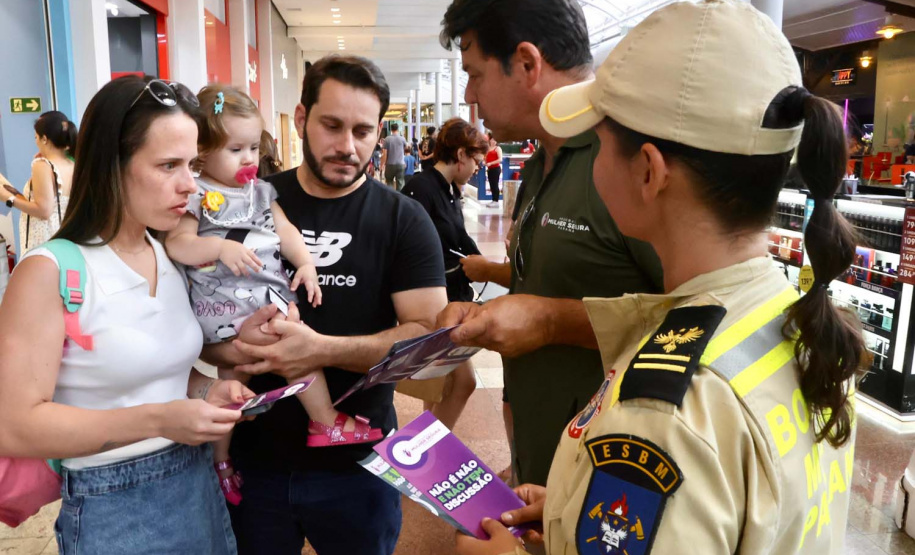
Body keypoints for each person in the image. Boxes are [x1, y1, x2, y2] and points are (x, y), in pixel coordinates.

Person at [455, 1, 862, 554]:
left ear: (648, 171)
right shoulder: (805, 327)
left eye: (599, 140)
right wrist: (576, 508)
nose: (590, 159)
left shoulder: (660, 415)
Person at [201, 55, 448, 555]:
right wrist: (231, 354)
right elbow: (188, 301)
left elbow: (428, 345)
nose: (347, 146)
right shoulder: (250, 198)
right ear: (301, 120)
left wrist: (320, 350)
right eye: (332, 126)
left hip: (358, 467)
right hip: (253, 464)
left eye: (362, 130)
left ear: (380, 131)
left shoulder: (404, 219)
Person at [0, 76, 254, 553]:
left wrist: (207, 391)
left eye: (193, 164)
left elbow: (152, 376)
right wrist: (158, 420)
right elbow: (13, 425)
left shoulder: (166, 253)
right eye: (168, 165)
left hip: (197, 485)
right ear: (111, 165)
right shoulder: (50, 271)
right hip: (112, 505)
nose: (190, 185)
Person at [437, 0, 663, 488]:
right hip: (544, 458)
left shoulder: (627, 162)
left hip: (613, 473)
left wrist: (549, 322)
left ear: (526, 64)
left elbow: (696, 318)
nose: (468, 95)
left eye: (475, 74)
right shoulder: (541, 163)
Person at [165, 84, 384, 507]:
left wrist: (306, 263)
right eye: (235, 149)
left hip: (263, 295)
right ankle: (323, 420)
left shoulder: (260, 192)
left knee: (231, 387)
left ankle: (221, 462)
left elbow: (285, 232)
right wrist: (220, 247)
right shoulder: (196, 195)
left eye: (252, 147)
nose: (248, 159)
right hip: (224, 303)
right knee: (288, 347)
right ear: (203, 152)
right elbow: (180, 245)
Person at [402, 117, 486, 429]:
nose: (477, 167)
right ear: (461, 154)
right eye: (476, 160)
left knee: (437, 385)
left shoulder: (449, 190)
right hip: (433, 300)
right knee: (464, 382)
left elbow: (458, 236)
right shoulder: (421, 188)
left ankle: (426, 449)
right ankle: (427, 450)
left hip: (451, 295)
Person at [0, 111, 77, 255]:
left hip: (43, 242)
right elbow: (47, 203)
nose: (35, 141)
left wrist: (8, 199)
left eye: (36, 137)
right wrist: (13, 192)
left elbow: (44, 211)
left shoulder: (42, 165)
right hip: (64, 239)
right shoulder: (72, 164)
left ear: (45, 139)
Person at [381, 122, 408, 190]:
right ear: (397, 129)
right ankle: (399, 198)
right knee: (400, 182)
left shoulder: (387, 139)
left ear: (391, 129)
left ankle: (391, 198)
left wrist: (382, 164)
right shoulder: (402, 139)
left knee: (389, 182)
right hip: (400, 164)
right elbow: (406, 149)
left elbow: (385, 154)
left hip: (390, 164)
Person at [484, 135, 503, 207]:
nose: (493, 142)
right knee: (491, 184)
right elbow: (486, 157)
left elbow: (500, 159)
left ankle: (496, 200)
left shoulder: (498, 148)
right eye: (492, 140)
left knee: (495, 184)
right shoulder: (488, 148)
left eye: (495, 140)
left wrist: (491, 163)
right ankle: (493, 199)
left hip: (496, 169)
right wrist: (485, 162)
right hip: (489, 169)